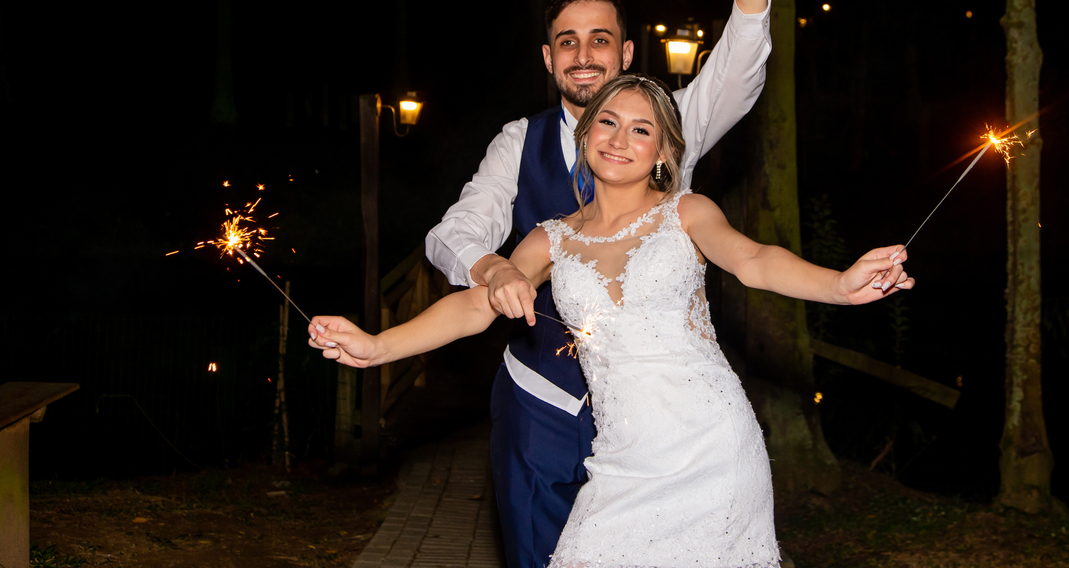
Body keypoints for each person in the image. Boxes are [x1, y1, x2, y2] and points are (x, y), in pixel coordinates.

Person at [308, 75, 914, 567]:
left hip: (712, 447)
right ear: (585, 134)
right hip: (620, 460)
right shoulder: (550, 238)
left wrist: (838, 286)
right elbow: (473, 306)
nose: (620, 138)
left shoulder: (687, 212)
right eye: (608, 122)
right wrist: (379, 346)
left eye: (641, 129)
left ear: (664, 152)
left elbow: (754, 261)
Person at [423, 0, 775, 567]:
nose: (584, 56)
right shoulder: (517, 141)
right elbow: (455, 231)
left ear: (627, 52)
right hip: (542, 404)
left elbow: (734, 77)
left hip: (661, 422)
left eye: (600, 40)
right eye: (567, 42)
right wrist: (492, 268)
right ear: (548, 57)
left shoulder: (668, 126)